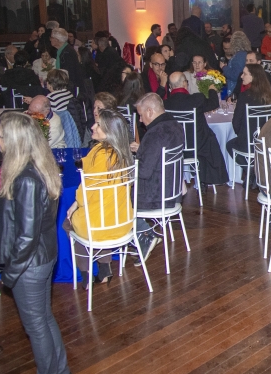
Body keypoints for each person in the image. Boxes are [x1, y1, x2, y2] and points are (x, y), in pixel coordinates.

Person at [0, 112, 71, 374]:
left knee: (36, 327)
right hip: (42, 258)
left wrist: (10, 273)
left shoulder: (25, 178)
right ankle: (61, 371)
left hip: (29, 264)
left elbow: (26, 236)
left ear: (14, 141)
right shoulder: (38, 167)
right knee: (44, 319)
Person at [67, 108, 133, 287]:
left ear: (109, 131)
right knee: (102, 213)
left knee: (69, 221)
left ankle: (86, 274)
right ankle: (104, 269)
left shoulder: (100, 155)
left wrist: (75, 204)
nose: (92, 127)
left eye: (98, 125)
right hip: (123, 221)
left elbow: (85, 194)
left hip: (99, 228)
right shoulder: (123, 153)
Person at [130, 93, 185, 259]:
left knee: (116, 197)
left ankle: (145, 234)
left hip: (156, 196)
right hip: (173, 190)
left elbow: (143, 172)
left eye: (141, 115)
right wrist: (142, 149)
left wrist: (126, 169)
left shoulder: (154, 133)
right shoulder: (175, 125)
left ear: (149, 111)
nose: (140, 120)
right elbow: (160, 155)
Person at [164, 73, 230, 186]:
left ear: (170, 86)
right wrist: (212, 90)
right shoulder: (196, 99)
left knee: (203, 134)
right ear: (184, 84)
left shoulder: (165, 104)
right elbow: (213, 104)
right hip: (197, 147)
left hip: (175, 147)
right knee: (208, 136)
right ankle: (204, 179)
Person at [226, 63, 271, 159]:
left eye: (244, 74)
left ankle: (250, 167)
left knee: (229, 144)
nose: (241, 76)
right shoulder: (269, 96)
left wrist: (241, 135)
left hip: (247, 143)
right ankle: (255, 165)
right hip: (266, 142)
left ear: (253, 77)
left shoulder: (245, 96)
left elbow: (236, 123)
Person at [221, 30, 252, 97]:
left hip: (235, 88)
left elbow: (235, 76)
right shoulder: (246, 54)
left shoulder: (239, 56)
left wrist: (224, 68)